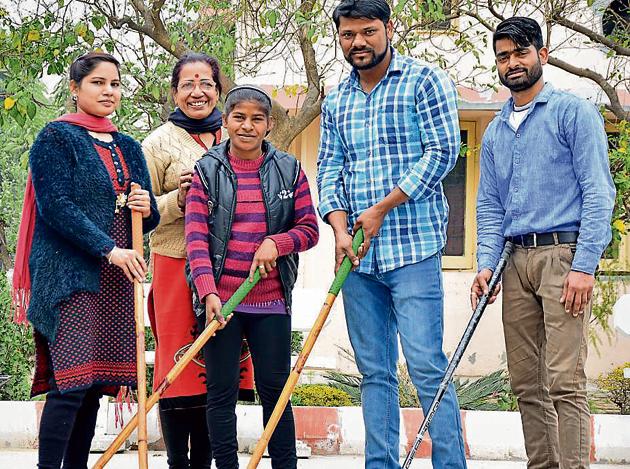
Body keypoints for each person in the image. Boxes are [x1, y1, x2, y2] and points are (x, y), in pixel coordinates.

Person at [316, 1, 467, 468]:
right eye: (347, 35)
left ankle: (449, 463)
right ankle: (379, 463)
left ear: (389, 28)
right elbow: (330, 167)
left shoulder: (424, 81)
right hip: (357, 259)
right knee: (373, 373)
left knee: (425, 365)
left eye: (367, 31)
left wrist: (382, 207)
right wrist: (340, 228)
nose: (357, 42)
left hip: (413, 249)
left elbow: (443, 153)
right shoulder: (337, 98)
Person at [472, 17, 615, 469]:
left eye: (520, 53)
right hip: (513, 261)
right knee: (526, 382)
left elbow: (598, 191)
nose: (512, 63)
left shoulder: (574, 112)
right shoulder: (495, 131)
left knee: (564, 381)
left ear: (542, 55)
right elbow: (490, 207)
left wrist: (585, 265)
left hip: (563, 257)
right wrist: (485, 265)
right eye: (503, 56)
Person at [18, 52, 160, 469]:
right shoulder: (55, 138)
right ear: (75, 89)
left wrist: (145, 206)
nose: (108, 91)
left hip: (117, 279)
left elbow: (145, 214)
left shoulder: (129, 146)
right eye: (97, 83)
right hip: (69, 274)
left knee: (95, 384)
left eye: (114, 84)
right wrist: (109, 250)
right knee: (70, 383)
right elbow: (56, 207)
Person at [185, 84, 319, 469]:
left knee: (276, 391)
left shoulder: (289, 169)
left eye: (256, 119)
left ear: (269, 125)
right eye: (239, 118)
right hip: (222, 304)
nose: (247, 126)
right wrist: (208, 293)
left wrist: (278, 242)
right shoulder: (207, 171)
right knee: (221, 393)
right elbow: (196, 238)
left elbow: (310, 228)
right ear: (225, 122)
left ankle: (284, 464)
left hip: (271, 301)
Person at [143, 52, 224, 469]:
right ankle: (178, 462)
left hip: (227, 268)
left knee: (217, 366)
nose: (198, 91)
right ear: (175, 92)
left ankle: (206, 463)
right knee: (179, 366)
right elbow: (138, 213)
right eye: (188, 84)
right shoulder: (157, 143)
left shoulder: (236, 134)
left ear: (218, 90)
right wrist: (177, 199)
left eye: (206, 83)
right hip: (175, 263)